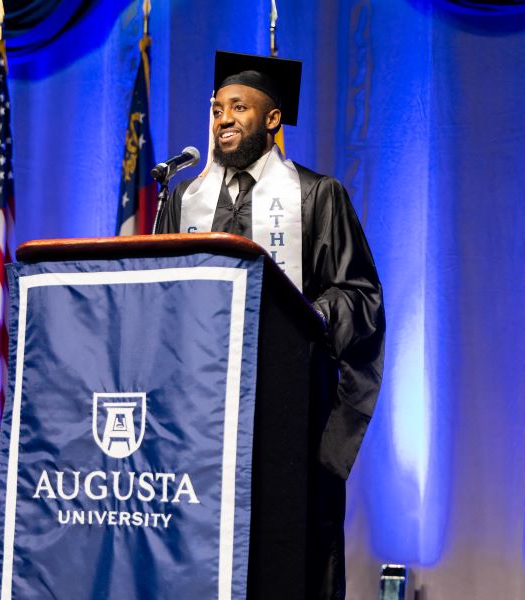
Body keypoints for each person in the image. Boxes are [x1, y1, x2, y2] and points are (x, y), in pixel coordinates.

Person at [155, 51, 385, 599]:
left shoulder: (316, 196)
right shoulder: (183, 196)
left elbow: (359, 296)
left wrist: (300, 317)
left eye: (239, 107)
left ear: (273, 119)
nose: (223, 119)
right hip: (198, 412)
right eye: (217, 109)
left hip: (284, 408)